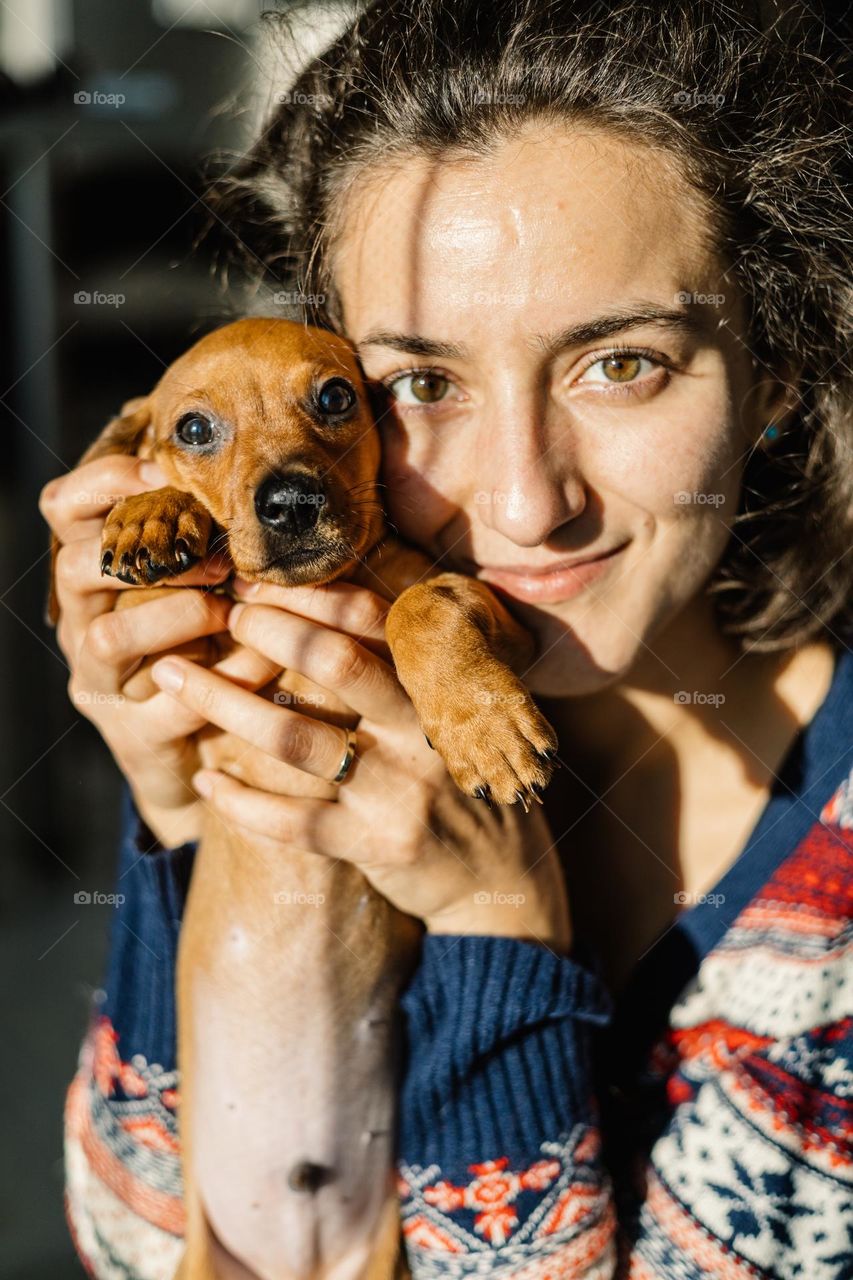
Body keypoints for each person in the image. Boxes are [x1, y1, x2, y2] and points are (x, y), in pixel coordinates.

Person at [41, 0, 853, 1276]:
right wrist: (185, 812)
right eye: (419, 384)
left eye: (622, 362)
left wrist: (496, 919)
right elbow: (133, 1240)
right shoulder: (302, 714)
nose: (527, 500)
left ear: (778, 367)